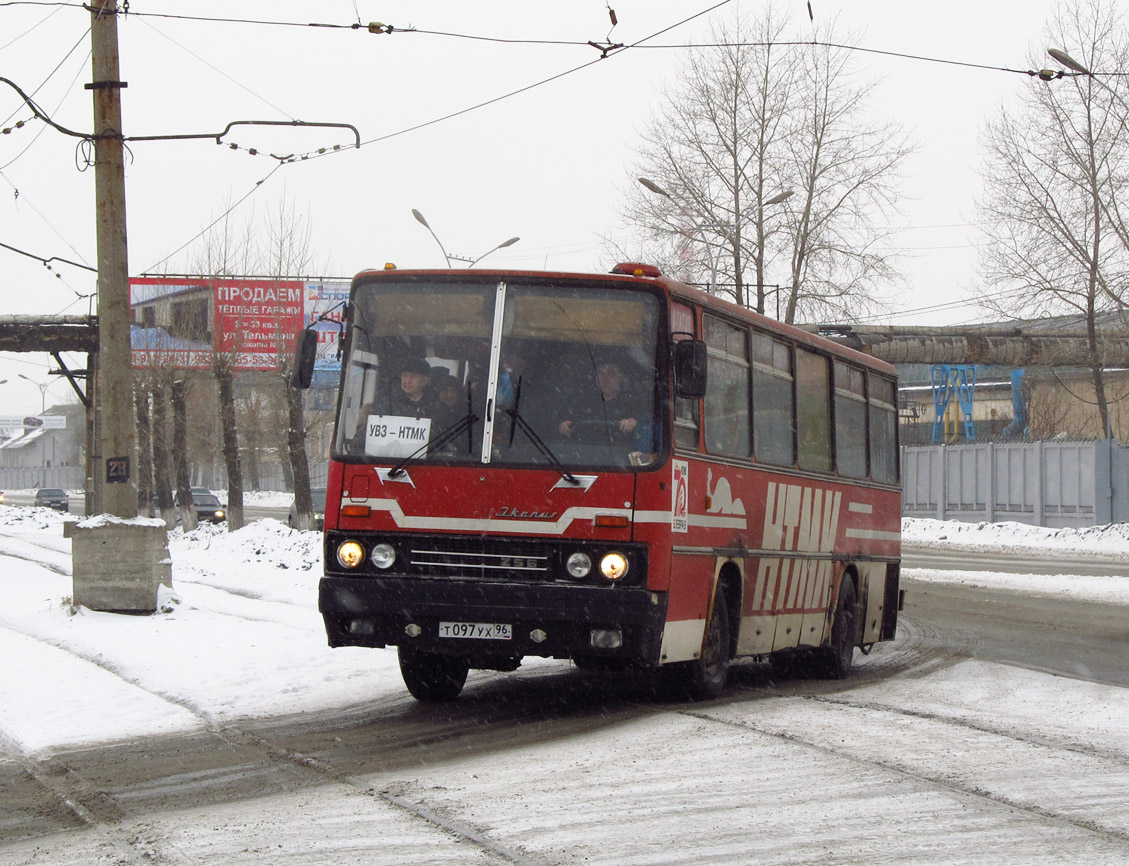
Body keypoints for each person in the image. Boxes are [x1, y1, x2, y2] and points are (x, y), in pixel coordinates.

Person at [558, 361, 645, 443]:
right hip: (581, 449)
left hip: (620, 451)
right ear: (596, 378)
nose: (606, 378)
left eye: (611, 374)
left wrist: (634, 423)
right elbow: (559, 422)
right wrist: (562, 425)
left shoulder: (633, 402)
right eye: (601, 374)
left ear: (621, 378)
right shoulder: (581, 399)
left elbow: (645, 429)